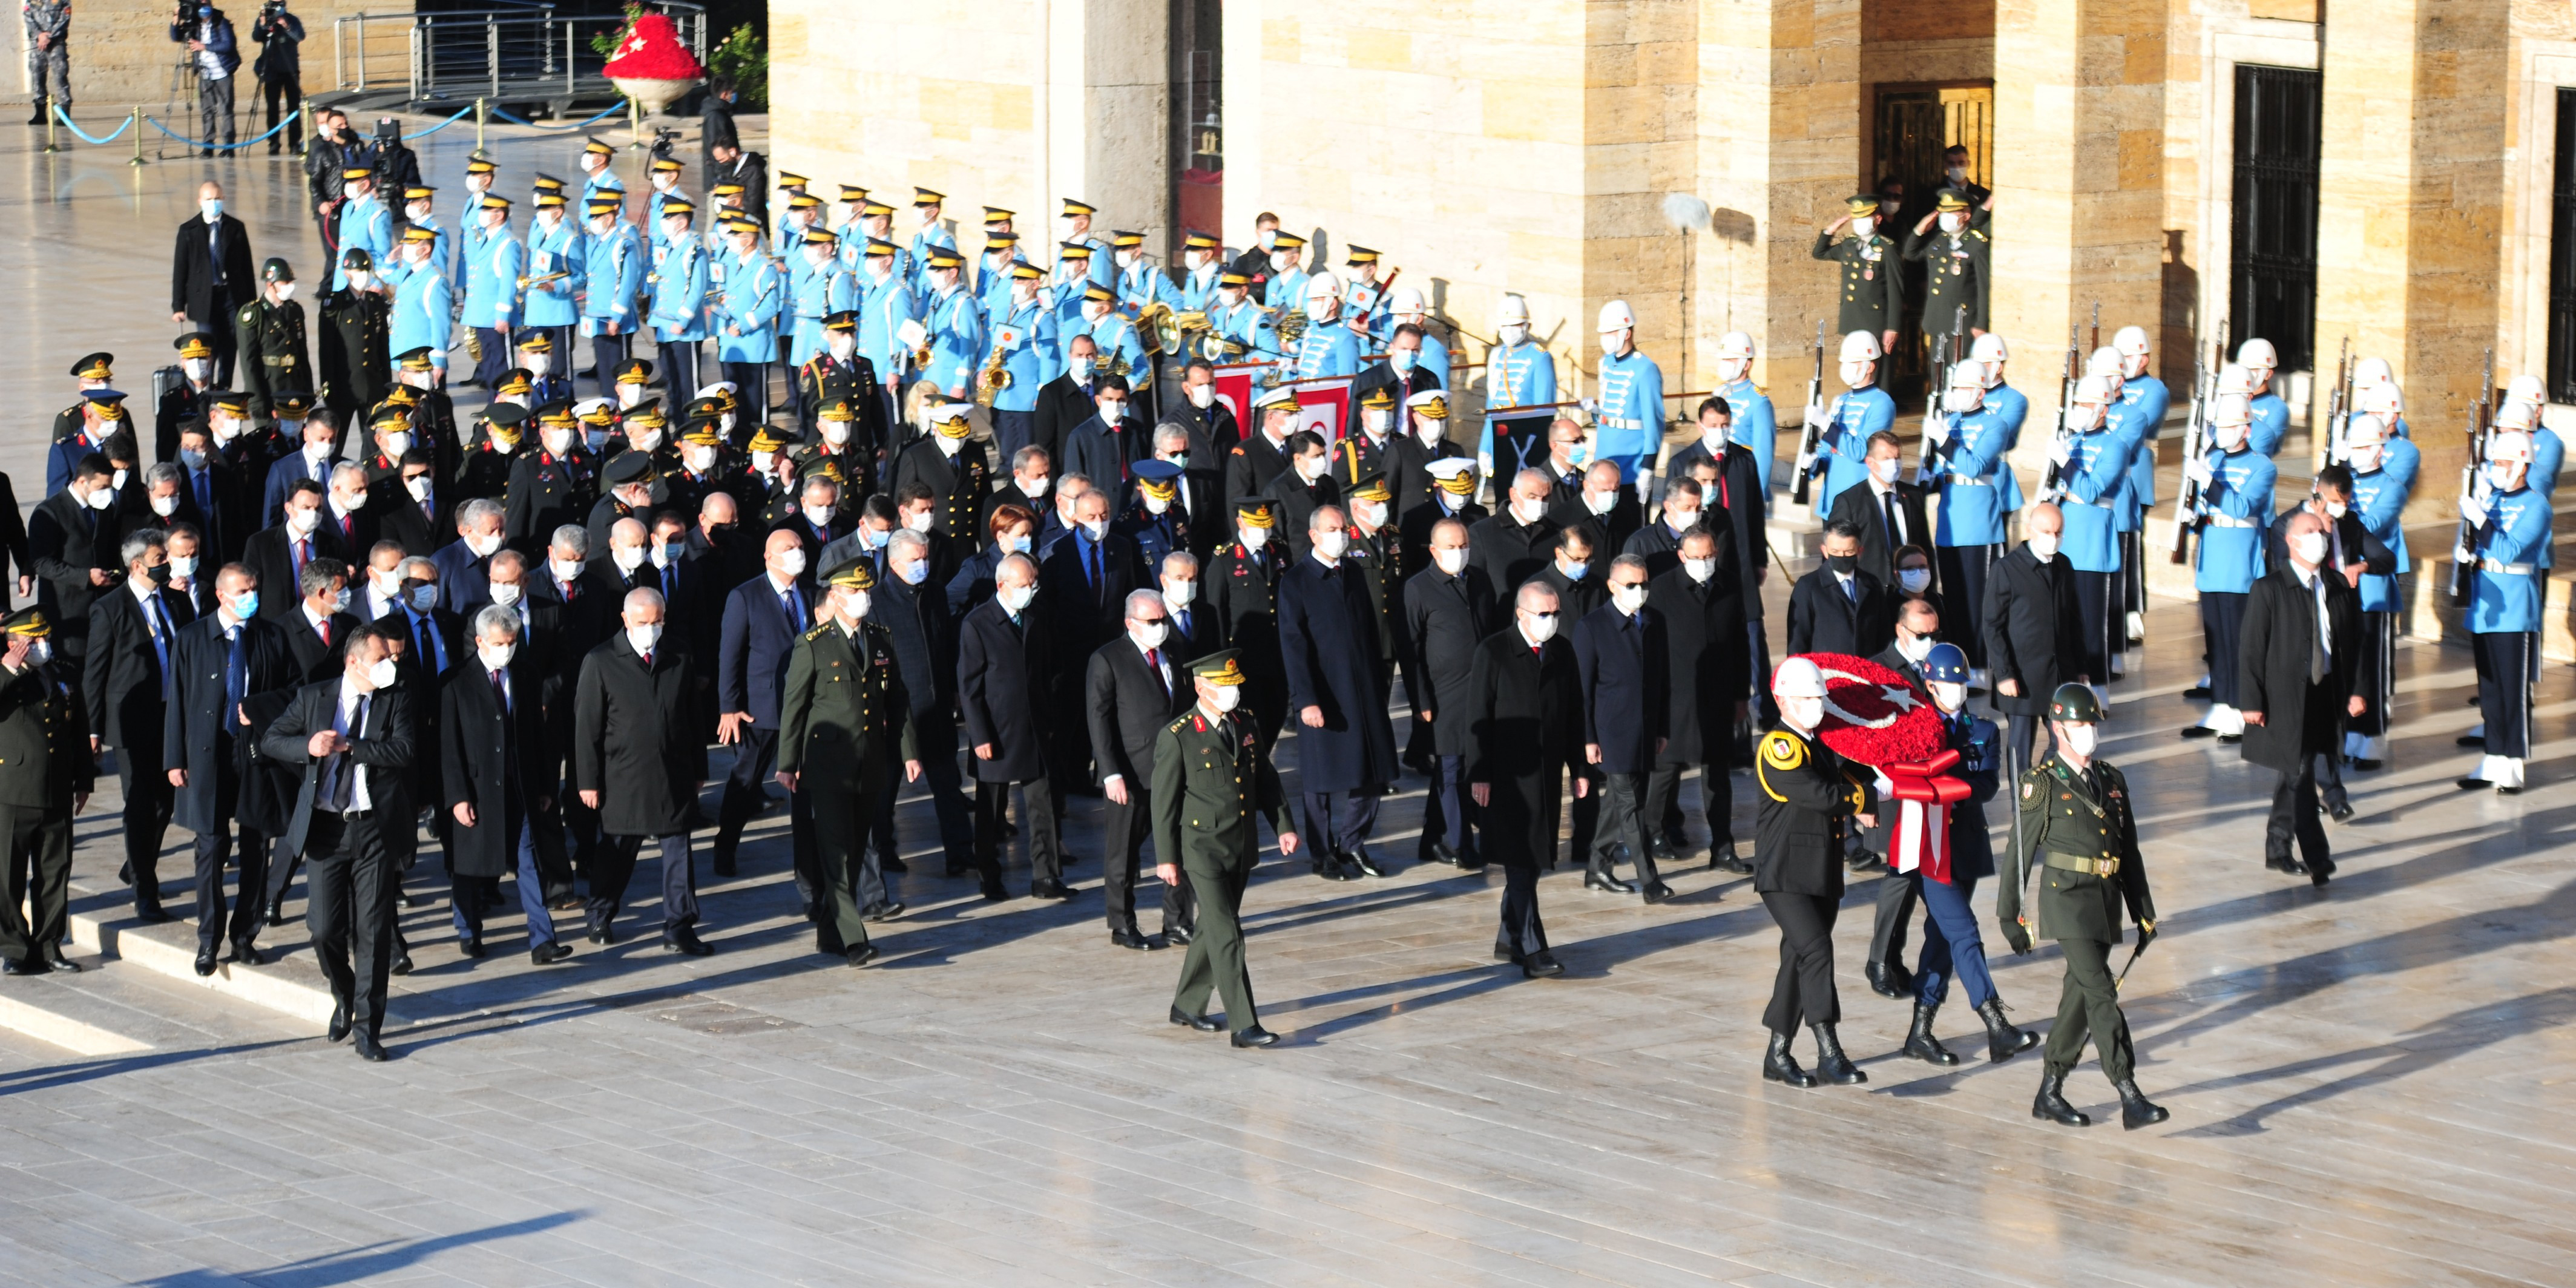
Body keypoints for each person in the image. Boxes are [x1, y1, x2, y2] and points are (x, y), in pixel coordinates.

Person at [1998, 683, 2168, 1130]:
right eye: (2080, 726)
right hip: (2066, 900)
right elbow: (2020, 851)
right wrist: (2009, 915)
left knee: (2078, 996)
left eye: (2092, 724)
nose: (2089, 733)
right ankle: (2129, 1091)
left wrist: (2143, 911)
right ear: (2057, 729)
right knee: (2100, 991)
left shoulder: (2112, 779)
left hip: (2105, 899)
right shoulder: (2042, 783)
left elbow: (2128, 852)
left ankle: (2050, 1090)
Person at [260, 623, 410, 1060]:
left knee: (374, 931)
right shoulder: (315, 697)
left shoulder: (395, 698)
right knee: (324, 928)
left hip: (374, 828)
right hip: (327, 828)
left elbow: (403, 750)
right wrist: (310, 745)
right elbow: (273, 740)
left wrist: (353, 747)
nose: (390, 666)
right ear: (354, 662)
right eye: (381, 659)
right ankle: (344, 994)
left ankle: (368, 1028)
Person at [1894, 643, 2038, 1066]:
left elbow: (1989, 784)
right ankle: (1996, 1022)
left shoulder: (1985, 730)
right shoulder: (1914, 725)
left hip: (1966, 843)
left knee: (1942, 940)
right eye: (1947, 683)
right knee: (1964, 932)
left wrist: (1952, 791)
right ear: (1930, 683)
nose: (1956, 690)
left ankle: (1920, 1032)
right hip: (1927, 845)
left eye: (1961, 683)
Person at [777, 558, 921, 965]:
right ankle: (854, 939)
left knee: (857, 849)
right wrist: (787, 762)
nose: (863, 599)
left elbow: (898, 700)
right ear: (836, 596)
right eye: (855, 592)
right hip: (826, 767)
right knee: (836, 853)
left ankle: (829, 931)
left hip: (870, 762)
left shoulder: (880, 639)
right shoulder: (813, 644)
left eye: (866, 592)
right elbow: (795, 708)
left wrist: (909, 751)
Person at [1155, 650, 1300, 1046]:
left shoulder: (1245, 722)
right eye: (1223, 686)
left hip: (1240, 843)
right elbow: (1164, 802)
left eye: (1235, 685)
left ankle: (1186, 1004)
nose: (1232, 693)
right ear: (1201, 687)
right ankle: (1244, 1024)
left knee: (1211, 927)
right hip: (1201, 848)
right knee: (1228, 935)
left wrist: (1283, 826)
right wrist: (1167, 857)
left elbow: (1265, 779)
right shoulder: (1179, 735)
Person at [1754, 657, 1878, 1088]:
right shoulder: (1780, 747)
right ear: (1782, 700)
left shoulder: (1822, 744)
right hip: (1785, 873)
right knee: (1817, 949)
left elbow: (1854, 775)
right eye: (1805, 698)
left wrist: (1879, 782)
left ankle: (1777, 1055)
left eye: (1818, 698)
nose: (1814, 706)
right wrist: (1863, 798)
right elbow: (1819, 794)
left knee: (1798, 958)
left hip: (1821, 872)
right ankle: (1829, 1050)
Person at [572, 587, 711, 953]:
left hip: (674, 773)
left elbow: (693, 717)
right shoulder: (601, 661)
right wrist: (587, 781)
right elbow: (587, 728)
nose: (650, 629)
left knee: (679, 853)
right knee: (617, 853)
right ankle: (600, 914)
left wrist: (700, 767)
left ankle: (680, 926)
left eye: (657, 622)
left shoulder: (678, 655)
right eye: (642, 622)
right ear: (625, 620)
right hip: (623, 778)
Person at [439, 605, 570, 965]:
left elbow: (537, 737)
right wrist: (458, 796)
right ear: (480, 641)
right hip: (478, 790)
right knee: (470, 863)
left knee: (529, 861)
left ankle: (543, 940)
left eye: (512, 642)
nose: (506, 649)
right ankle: (468, 929)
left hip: (520, 785)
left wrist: (545, 786)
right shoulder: (455, 681)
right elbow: (449, 746)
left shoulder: (526, 675)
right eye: (499, 643)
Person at [2238, 509, 2362, 885]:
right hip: (2286, 700)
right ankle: (2318, 859)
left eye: (2322, 531)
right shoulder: (2270, 589)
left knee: (2295, 772)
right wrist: (2251, 700)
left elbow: (2355, 644)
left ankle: (2277, 848)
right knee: (2300, 775)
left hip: (2325, 696)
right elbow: (2251, 648)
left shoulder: (2337, 585)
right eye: (2310, 531)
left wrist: (2358, 691)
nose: (2319, 536)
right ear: (2292, 541)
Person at [1278, 505, 1398, 880]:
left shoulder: (1354, 572)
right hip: (1323, 692)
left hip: (1361, 687)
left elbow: (1367, 631)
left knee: (1373, 768)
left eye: (1343, 528)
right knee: (1320, 777)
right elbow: (1294, 644)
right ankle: (1322, 851)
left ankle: (1353, 842)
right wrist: (1306, 699)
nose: (1341, 534)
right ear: (1314, 535)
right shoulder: (1296, 580)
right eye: (1332, 529)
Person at [86, 528, 194, 921]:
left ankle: (136, 863)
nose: (167, 564)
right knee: (139, 804)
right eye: (159, 559)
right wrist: (92, 729)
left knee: (167, 800)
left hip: (171, 717)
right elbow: (95, 673)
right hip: (131, 723)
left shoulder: (178, 601)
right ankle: (145, 891)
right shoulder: (110, 608)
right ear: (137, 566)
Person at [1088, 588, 1194, 948]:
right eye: (1152, 621)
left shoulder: (1175, 651)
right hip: (1132, 773)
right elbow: (1099, 720)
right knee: (1124, 853)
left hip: (1174, 770)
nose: (1160, 627)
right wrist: (1110, 772)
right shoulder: (1109, 659)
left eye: (1163, 619)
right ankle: (1122, 925)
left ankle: (1178, 921)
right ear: (1131, 622)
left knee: (1177, 846)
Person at [958, 553, 1061, 901]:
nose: (1029, 590)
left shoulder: (1037, 614)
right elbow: (969, 688)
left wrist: (1049, 718)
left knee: (1042, 806)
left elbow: (1046, 670)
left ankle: (1046, 876)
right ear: (1002, 586)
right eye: (1022, 585)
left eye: (1033, 583)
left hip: (1034, 727)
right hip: (997, 731)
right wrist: (980, 736)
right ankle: (990, 876)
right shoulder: (978, 623)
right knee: (991, 811)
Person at [1646, 526, 1749, 872]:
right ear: (1681, 556)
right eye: (1697, 557)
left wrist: (1741, 693)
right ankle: (1654, 833)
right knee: (1666, 771)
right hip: (1676, 699)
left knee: (1718, 776)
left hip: (1717, 696)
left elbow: (1740, 644)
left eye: (1710, 556)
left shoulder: (1729, 585)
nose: (1704, 563)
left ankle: (1723, 846)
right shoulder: (1660, 591)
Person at [1571, 553, 1672, 902]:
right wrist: (1587, 738)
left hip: (1645, 731)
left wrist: (1662, 728)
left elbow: (1664, 680)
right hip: (1612, 734)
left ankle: (1597, 865)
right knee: (1631, 806)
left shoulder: (1655, 621)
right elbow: (1582, 691)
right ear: (1612, 586)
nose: (1639, 590)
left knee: (1619, 801)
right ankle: (1650, 880)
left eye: (1644, 584)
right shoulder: (1592, 627)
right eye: (1631, 585)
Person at [2457, 429, 2551, 795]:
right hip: (2486, 603)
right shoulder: (2495, 499)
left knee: (2513, 690)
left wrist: (2480, 521)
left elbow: (2510, 551)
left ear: (2523, 464)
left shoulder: (2537, 505)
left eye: (2504, 462)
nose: (2498, 469)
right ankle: (2493, 757)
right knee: (2491, 689)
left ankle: (2514, 764)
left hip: (2515, 607)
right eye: (2496, 462)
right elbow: (2484, 543)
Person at [2179, 393, 2274, 742]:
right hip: (2213, 556)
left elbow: (2240, 506)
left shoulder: (2263, 466)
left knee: (2239, 643)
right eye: (2220, 426)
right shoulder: (2213, 458)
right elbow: (2207, 506)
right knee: (2217, 641)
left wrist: (2208, 482)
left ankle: (2241, 709)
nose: (2223, 432)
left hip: (2239, 560)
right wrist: (2193, 517)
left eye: (2230, 426)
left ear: (2246, 428)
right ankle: (2220, 706)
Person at [0, 609, 88, 975]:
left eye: (44, 638)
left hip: (56, 788)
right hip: (14, 790)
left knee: (55, 871)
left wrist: (83, 779)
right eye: (32, 640)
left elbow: (78, 731)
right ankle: (15, 949)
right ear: (12, 643)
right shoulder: (7, 676)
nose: (41, 646)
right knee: (8, 874)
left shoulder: (62, 673)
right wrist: (8, 670)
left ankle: (50, 944)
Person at [1983, 502, 2086, 784]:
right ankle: (2022, 805)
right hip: (2022, 678)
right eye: (2046, 531)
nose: (2052, 537)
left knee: (2064, 741)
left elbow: (2074, 619)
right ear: (2030, 531)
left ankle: (2040, 785)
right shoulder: (2007, 569)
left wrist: (2081, 667)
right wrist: (2004, 673)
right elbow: (1992, 625)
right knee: (2020, 748)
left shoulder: (2064, 565)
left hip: (2059, 674)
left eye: (2058, 532)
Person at [2341, 416, 2412, 770]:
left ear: (2381, 450)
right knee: (2349, 665)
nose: (2357, 454)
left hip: (2374, 586)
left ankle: (2374, 737)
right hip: (2344, 585)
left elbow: (2370, 525)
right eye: (2353, 447)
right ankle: (2352, 731)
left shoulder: (2392, 486)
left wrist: (2338, 510)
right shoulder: (2344, 480)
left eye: (2364, 447)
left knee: (2375, 665)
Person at [171, 183, 257, 390]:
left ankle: (224, 387)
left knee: (231, 345)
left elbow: (247, 268)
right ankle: (205, 388)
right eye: (209, 199)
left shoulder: (235, 228)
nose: (213, 203)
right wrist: (178, 306)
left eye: (217, 198)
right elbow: (180, 270)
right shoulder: (188, 230)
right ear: (200, 201)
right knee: (208, 346)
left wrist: (252, 303)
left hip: (231, 296)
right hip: (204, 297)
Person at [1825, 430, 1931, 590]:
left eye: (1897, 458)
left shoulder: (1913, 495)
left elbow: (1925, 546)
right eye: (1887, 459)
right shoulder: (1850, 501)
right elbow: (1839, 551)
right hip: (1870, 591)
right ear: (1870, 462)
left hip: (1910, 590)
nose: (1894, 464)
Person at [1804, 332, 1893, 514]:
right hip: (1832, 498)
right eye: (1844, 363)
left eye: (1853, 363)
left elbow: (1860, 451)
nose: (1846, 368)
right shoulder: (1841, 400)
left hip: (1859, 499)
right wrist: (1814, 464)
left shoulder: (1882, 403)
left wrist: (1826, 424)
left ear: (1870, 367)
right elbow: (1828, 449)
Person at [1813, 194, 1904, 358]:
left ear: (1877, 219)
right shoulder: (1850, 245)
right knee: (1855, 365)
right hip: (1852, 318)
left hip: (1876, 322)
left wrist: (1893, 327)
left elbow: (1895, 290)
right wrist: (1831, 230)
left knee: (1876, 370)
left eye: (1865, 217)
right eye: (1857, 217)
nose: (1860, 221)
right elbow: (1819, 253)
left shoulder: (1887, 249)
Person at [1784, 519, 1891, 658]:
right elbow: (1798, 640)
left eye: (1849, 552)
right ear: (1824, 550)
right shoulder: (1809, 587)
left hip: (1866, 672)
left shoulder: (1871, 584)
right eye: (1835, 551)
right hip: (1826, 673)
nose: (1842, 556)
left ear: (1860, 551)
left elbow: (1884, 635)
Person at [234, 258, 311, 419]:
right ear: (270, 284)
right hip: (269, 388)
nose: (290, 286)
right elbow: (249, 361)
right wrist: (256, 399)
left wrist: (308, 391)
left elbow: (303, 354)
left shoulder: (295, 310)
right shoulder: (254, 313)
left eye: (291, 281)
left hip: (294, 388)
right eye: (285, 282)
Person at [169, 3, 242, 156]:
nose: (203, 8)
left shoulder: (221, 22)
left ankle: (229, 147)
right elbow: (176, 37)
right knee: (207, 111)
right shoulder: (194, 25)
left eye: (205, 4)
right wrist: (176, 18)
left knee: (225, 111)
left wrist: (204, 46)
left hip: (223, 73)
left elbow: (228, 45)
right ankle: (208, 146)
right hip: (205, 74)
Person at [249, 0, 303, 155]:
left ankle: (294, 143)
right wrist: (263, 24)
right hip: (271, 70)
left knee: (293, 108)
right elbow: (256, 37)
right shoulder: (264, 18)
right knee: (272, 108)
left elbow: (300, 37)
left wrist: (286, 26)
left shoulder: (292, 19)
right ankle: (274, 143)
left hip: (290, 69)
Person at [23, 0, 71, 125]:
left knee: (60, 76)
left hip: (56, 43)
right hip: (38, 44)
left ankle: (65, 113)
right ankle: (40, 113)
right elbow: (28, 17)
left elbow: (65, 18)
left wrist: (50, 36)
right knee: (37, 75)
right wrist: (40, 36)